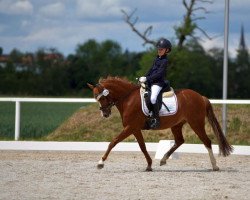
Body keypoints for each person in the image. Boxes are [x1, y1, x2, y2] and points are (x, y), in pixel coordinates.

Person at [139, 38, 172, 129]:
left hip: (158, 83)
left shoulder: (165, 61)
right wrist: (144, 77)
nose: (159, 51)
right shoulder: (157, 59)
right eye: (158, 49)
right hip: (150, 82)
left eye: (161, 49)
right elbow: (151, 70)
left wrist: (148, 78)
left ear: (167, 50)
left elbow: (159, 74)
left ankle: (156, 119)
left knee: (153, 98)